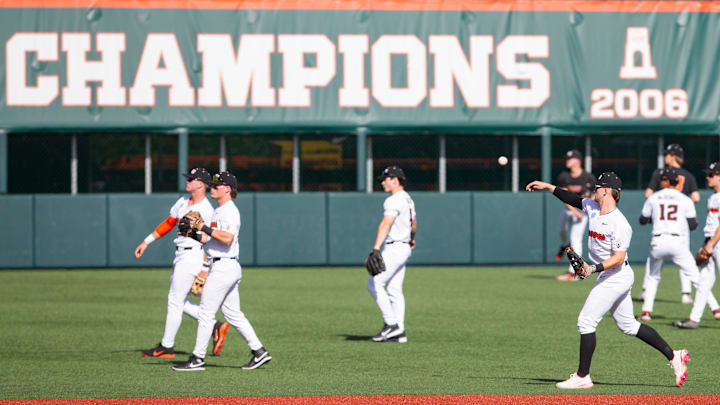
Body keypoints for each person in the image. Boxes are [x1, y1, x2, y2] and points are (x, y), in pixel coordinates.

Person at [526, 172, 690, 389]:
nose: (593, 191)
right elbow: (572, 199)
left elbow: (618, 258)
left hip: (617, 275)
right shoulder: (592, 208)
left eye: (596, 188)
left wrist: (592, 268)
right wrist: (548, 186)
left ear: (604, 191)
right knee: (628, 325)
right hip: (609, 274)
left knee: (586, 321)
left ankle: (583, 376)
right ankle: (674, 356)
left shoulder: (620, 223)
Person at [172, 171, 271, 371]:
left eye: (217, 186)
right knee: (232, 313)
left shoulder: (230, 211)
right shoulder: (219, 211)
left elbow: (227, 238)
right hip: (222, 264)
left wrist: (203, 227)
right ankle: (259, 351)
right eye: (212, 185)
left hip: (224, 267)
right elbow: (211, 241)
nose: (212, 188)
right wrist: (192, 234)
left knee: (206, 313)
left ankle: (197, 358)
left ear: (227, 189)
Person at [134, 168, 229, 359]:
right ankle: (215, 326)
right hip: (181, 256)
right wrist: (146, 241)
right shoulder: (183, 201)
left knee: (175, 301)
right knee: (179, 301)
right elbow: (169, 223)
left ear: (200, 184)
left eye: (191, 179)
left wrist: (204, 268)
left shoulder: (207, 210)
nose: (187, 181)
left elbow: (210, 240)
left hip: (193, 256)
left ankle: (166, 346)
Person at [637, 167, 711, 323]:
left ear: (664, 181)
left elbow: (642, 220)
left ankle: (646, 312)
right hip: (678, 242)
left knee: (652, 277)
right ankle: (716, 309)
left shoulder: (654, 197)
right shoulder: (685, 199)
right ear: (677, 181)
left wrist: (656, 219)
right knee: (697, 277)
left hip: (658, 241)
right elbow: (693, 225)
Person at [643, 144, 700, 304]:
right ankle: (686, 293)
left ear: (673, 155)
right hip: (681, 222)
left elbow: (648, 194)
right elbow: (696, 197)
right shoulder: (688, 175)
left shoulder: (660, 173)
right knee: (684, 257)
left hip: (662, 223)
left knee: (654, 258)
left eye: (667, 154)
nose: (665, 157)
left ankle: (646, 292)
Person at [368, 166, 417, 343]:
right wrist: (412, 239)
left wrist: (375, 249)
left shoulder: (394, 200)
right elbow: (414, 224)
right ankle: (400, 332)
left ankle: (391, 324)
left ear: (395, 180)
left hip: (395, 247)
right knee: (395, 290)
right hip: (404, 246)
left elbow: (386, 224)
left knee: (374, 283)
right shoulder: (408, 199)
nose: (382, 182)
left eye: (385, 179)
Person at [674, 162, 720, 328]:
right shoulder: (713, 197)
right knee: (704, 282)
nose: (707, 177)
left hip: (717, 242)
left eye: (711, 174)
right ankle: (694, 319)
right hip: (711, 242)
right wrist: (707, 243)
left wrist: (712, 243)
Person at [554, 149, 596, 281]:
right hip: (569, 210)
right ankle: (564, 245)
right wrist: (574, 211)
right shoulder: (564, 177)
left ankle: (574, 272)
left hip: (582, 211)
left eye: (570, 159)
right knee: (562, 232)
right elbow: (563, 196)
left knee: (575, 239)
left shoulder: (588, 177)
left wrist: (587, 207)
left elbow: (594, 194)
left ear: (577, 161)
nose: (567, 161)